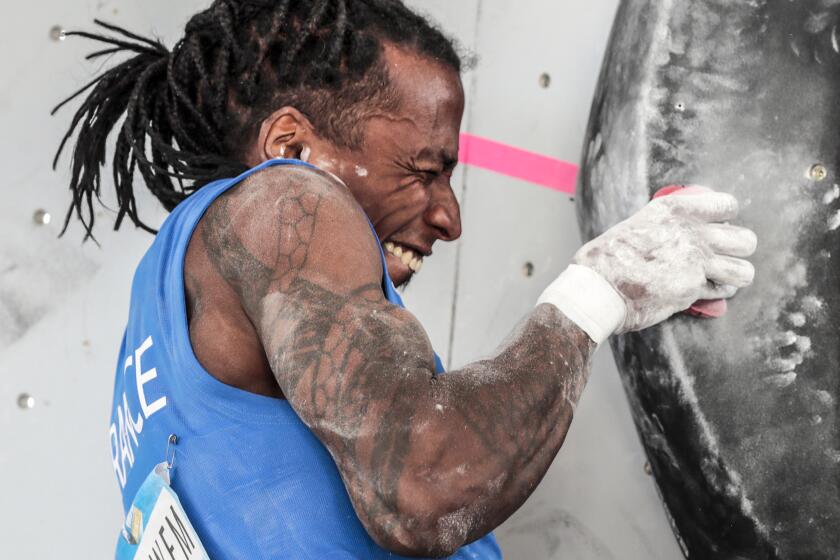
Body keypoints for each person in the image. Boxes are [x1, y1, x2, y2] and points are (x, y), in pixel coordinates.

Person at [53, 1, 758, 558]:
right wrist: (602, 289)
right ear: (292, 146)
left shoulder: (164, 304)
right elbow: (423, 486)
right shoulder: (283, 201)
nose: (448, 218)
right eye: (424, 170)